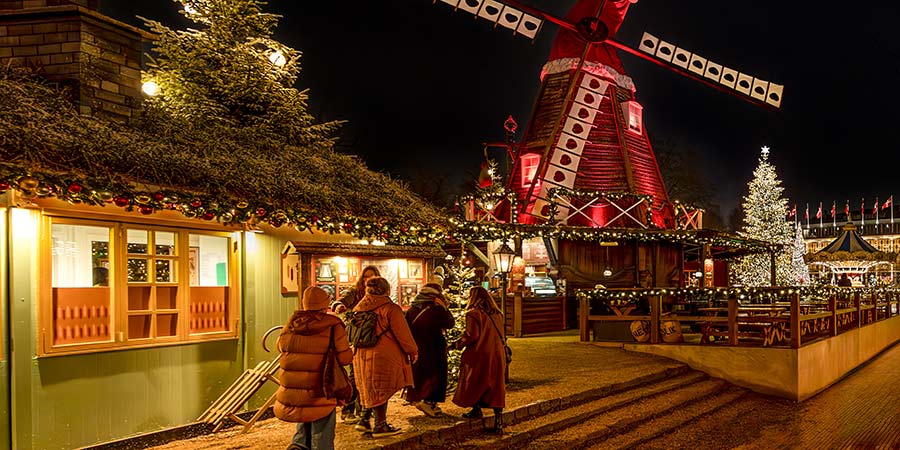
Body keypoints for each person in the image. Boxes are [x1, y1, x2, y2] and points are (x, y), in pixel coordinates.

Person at [274, 286, 353, 450]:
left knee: (304, 420)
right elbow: (345, 359)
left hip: (294, 389)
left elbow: (281, 347)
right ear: (325, 305)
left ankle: (298, 445)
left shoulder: (291, 324)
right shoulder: (333, 325)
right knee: (322, 429)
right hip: (321, 387)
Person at [352, 276, 418, 438]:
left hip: (360, 353)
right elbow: (403, 334)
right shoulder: (390, 309)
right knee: (382, 388)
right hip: (383, 354)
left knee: (367, 386)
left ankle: (364, 420)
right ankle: (380, 426)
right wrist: (412, 350)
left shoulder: (359, 308)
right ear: (387, 290)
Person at [452, 286, 507, 434]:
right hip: (497, 353)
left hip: (480, 353)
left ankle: (476, 408)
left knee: (474, 380)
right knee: (495, 385)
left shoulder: (474, 314)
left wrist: (456, 344)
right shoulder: (497, 314)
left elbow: (472, 335)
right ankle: (498, 421)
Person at [331, 265, 380, 424]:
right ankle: (348, 409)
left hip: (371, 339)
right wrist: (339, 305)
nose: (368, 280)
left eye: (372, 277)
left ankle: (363, 409)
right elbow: (341, 300)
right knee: (354, 375)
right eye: (366, 277)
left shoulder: (377, 294)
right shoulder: (355, 292)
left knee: (368, 376)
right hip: (356, 338)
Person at [403, 283, 455, 417]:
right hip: (435, 347)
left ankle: (419, 398)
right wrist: (444, 307)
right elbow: (450, 323)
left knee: (420, 374)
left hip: (418, 347)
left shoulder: (412, 309)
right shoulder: (437, 309)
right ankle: (430, 402)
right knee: (435, 375)